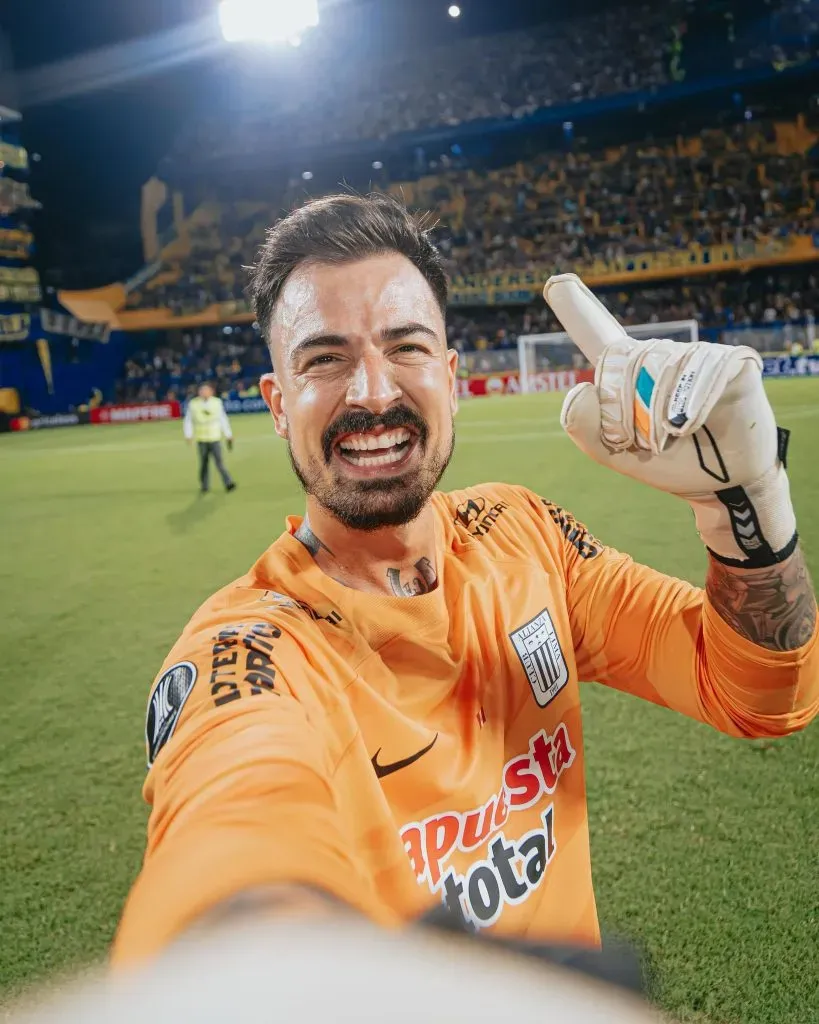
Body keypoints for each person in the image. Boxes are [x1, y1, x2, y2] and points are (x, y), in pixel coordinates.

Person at [115, 193, 818, 965]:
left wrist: (744, 510)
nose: (373, 393)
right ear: (278, 405)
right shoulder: (250, 650)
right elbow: (231, 833)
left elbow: (761, 696)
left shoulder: (525, 534)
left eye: (406, 347)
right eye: (325, 358)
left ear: (450, 376)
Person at [182, 382, 236, 493]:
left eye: (206, 390)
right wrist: (188, 434)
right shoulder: (193, 404)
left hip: (214, 438)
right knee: (204, 464)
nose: (204, 393)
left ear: (211, 392)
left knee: (219, 462)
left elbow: (222, 419)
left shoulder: (217, 402)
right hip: (202, 439)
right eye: (202, 390)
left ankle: (228, 482)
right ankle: (204, 485)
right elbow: (188, 421)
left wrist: (228, 434)